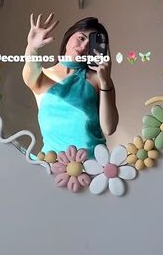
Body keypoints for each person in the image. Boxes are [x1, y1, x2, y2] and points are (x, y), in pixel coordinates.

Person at [22, 12, 119, 157]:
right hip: (51, 166)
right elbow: (31, 68)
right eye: (81, 38)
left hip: (92, 166)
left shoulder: (98, 80)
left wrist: (105, 80)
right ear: (69, 37)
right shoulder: (43, 76)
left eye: (91, 43)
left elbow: (109, 128)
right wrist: (32, 48)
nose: (84, 45)